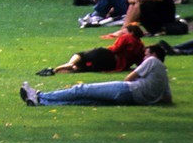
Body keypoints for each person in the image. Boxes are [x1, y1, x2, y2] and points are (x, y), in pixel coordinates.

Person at [21, 42, 173, 107]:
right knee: (85, 101)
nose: (144, 57)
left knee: (81, 90)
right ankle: (40, 102)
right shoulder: (163, 72)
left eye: (146, 54)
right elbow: (167, 98)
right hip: (135, 99)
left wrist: (140, 83)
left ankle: (39, 95)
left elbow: (129, 78)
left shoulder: (152, 61)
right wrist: (148, 96)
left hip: (128, 90)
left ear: (154, 55)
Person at [36, 22, 146, 76]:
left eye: (124, 30)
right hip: (113, 66)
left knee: (81, 56)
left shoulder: (127, 37)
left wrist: (107, 48)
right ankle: (57, 71)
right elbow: (140, 62)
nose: (122, 32)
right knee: (82, 68)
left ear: (131, 32)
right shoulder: (141, 46)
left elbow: (115, 49)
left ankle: (58, 68)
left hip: (107, 56)